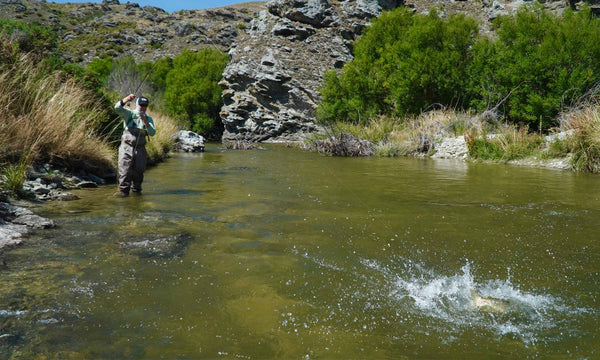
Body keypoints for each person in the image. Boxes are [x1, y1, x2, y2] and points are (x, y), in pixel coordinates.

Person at [114, 94, 156, 197]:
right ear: (137, 104)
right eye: (141, 105)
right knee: (124, 171)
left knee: (138, 173)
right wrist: (127, 99)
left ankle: (137, 196)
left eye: (145, 105)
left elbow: (152, 132)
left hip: (140, 150)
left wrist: (145, 120)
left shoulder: (149, 119)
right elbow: (117, 108)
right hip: (126, 147)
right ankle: (123, 195)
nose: (143, 107)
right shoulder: (129, 114)